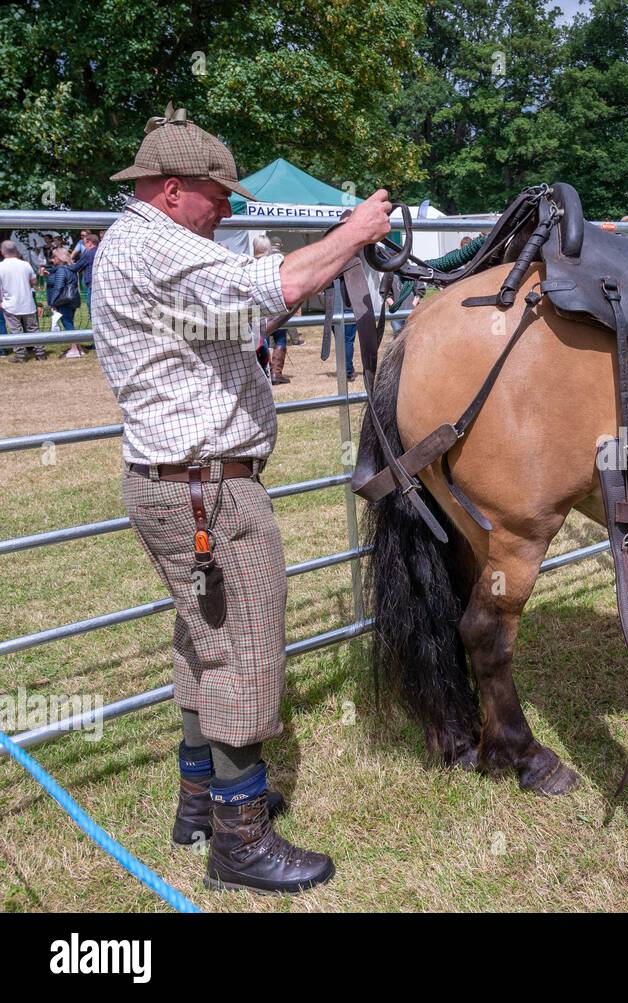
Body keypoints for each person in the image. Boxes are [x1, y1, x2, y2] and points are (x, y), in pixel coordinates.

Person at [95, 104, 393, 894]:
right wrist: (356, 232)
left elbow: (238, 312)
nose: (228, 205)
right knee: (247, 651)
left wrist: (294, 288)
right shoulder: (158, 246)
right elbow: (281, 277)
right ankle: (241, 838)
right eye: (216, 192)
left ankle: (202, 803)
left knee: (204, 643)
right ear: (169, 190)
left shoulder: (146, 244)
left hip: (181, 486)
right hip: (207, 495)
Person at [252, 235, 291, 383]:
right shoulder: (274, 266)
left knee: (262, 340)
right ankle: (276, 372)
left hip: (258, 311)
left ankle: (265, 371)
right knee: (280, 339)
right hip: (275, 309)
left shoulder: (248, 264)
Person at [0, 239, 46, 362]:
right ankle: (40, 353)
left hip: (10, 305)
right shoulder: (25, 264)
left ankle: (20, 356)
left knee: (16, 331)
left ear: (2, 252)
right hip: (28, 303)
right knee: (33, 329)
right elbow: (34, 282)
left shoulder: (1, 267)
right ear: (15, 250)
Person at [45, 247, 87, 356]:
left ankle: (74, 350)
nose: (52, 259)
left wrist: (52, 302)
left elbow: (58, 287)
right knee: (70, 323)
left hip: (63, 301)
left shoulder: (61, 270)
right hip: (72, 300)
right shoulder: (70, 268)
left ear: (59, 258)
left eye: (54, 256)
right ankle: (78, 348)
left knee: (67, 324)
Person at [69, 232, 98, 325]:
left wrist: (65, 265)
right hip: (102, 283)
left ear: (89, 242)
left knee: (91, 306)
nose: (84, 245)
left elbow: (76, 268)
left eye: (85, 243)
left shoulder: (88, 254)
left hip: (92, 285)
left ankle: (95, 326)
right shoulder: (100, 251)